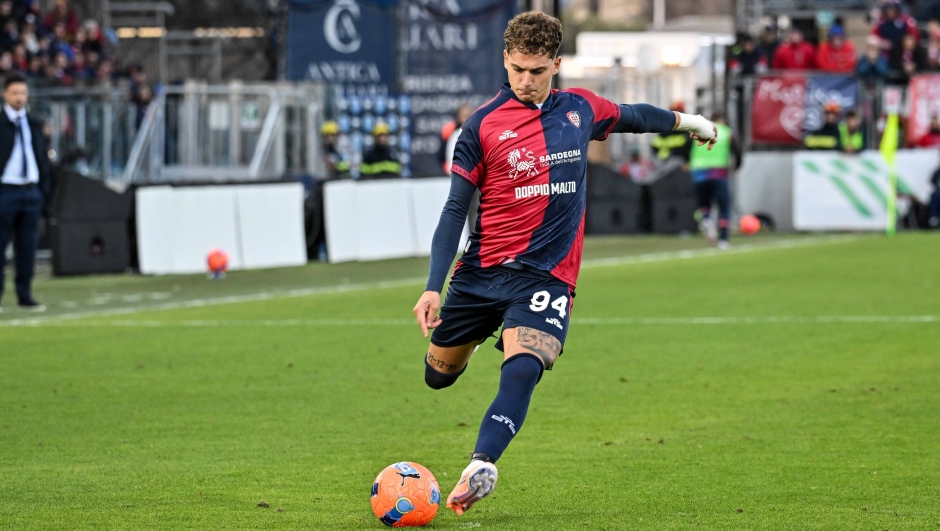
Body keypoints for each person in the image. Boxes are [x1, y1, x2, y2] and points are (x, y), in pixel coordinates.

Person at [411, 11, 716, 517]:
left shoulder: (580, 110)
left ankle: (481, 463)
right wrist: (431, 287)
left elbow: (634, 115)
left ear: (556, 64)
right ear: (504, 62)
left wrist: (690, 123)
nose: (526, 81)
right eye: (516, 69)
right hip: (481, 274)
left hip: (547, 275)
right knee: (438, 376)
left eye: (536, 70)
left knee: (525, 366)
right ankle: (478, 342)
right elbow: (453, 209)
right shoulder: (481, 126)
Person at [0, 73, 51, 312]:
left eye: (23, 93)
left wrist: (44, 192)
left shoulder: (34, 123)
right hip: (5, 191)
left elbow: (42, 159)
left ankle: (25, 295)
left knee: (27, 247)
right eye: (14, 93)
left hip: (30, 192)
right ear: (5, 94)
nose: (19, 97)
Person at [688, 113, 739, 249]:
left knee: (704, 203)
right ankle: (723, 240)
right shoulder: (726, 131)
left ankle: (706, 219)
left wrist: (687, 162)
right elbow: (736, 150)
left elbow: (686, 148)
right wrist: (737, 165)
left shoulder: (698, 131)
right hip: (719, 172)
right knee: (723, 206)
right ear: (721, 120)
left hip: (699, 172)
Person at [439, 103, 474, 173]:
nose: (468, 119)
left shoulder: (480, 132)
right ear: (459, 117)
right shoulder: (454, 134)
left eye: (470, 115)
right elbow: (444, 157)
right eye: (465, 116)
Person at [930, 159, 940, 229]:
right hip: (938, 191)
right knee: (934, 195)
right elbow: (932, 181)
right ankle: (934, 218)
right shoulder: (938, 172)